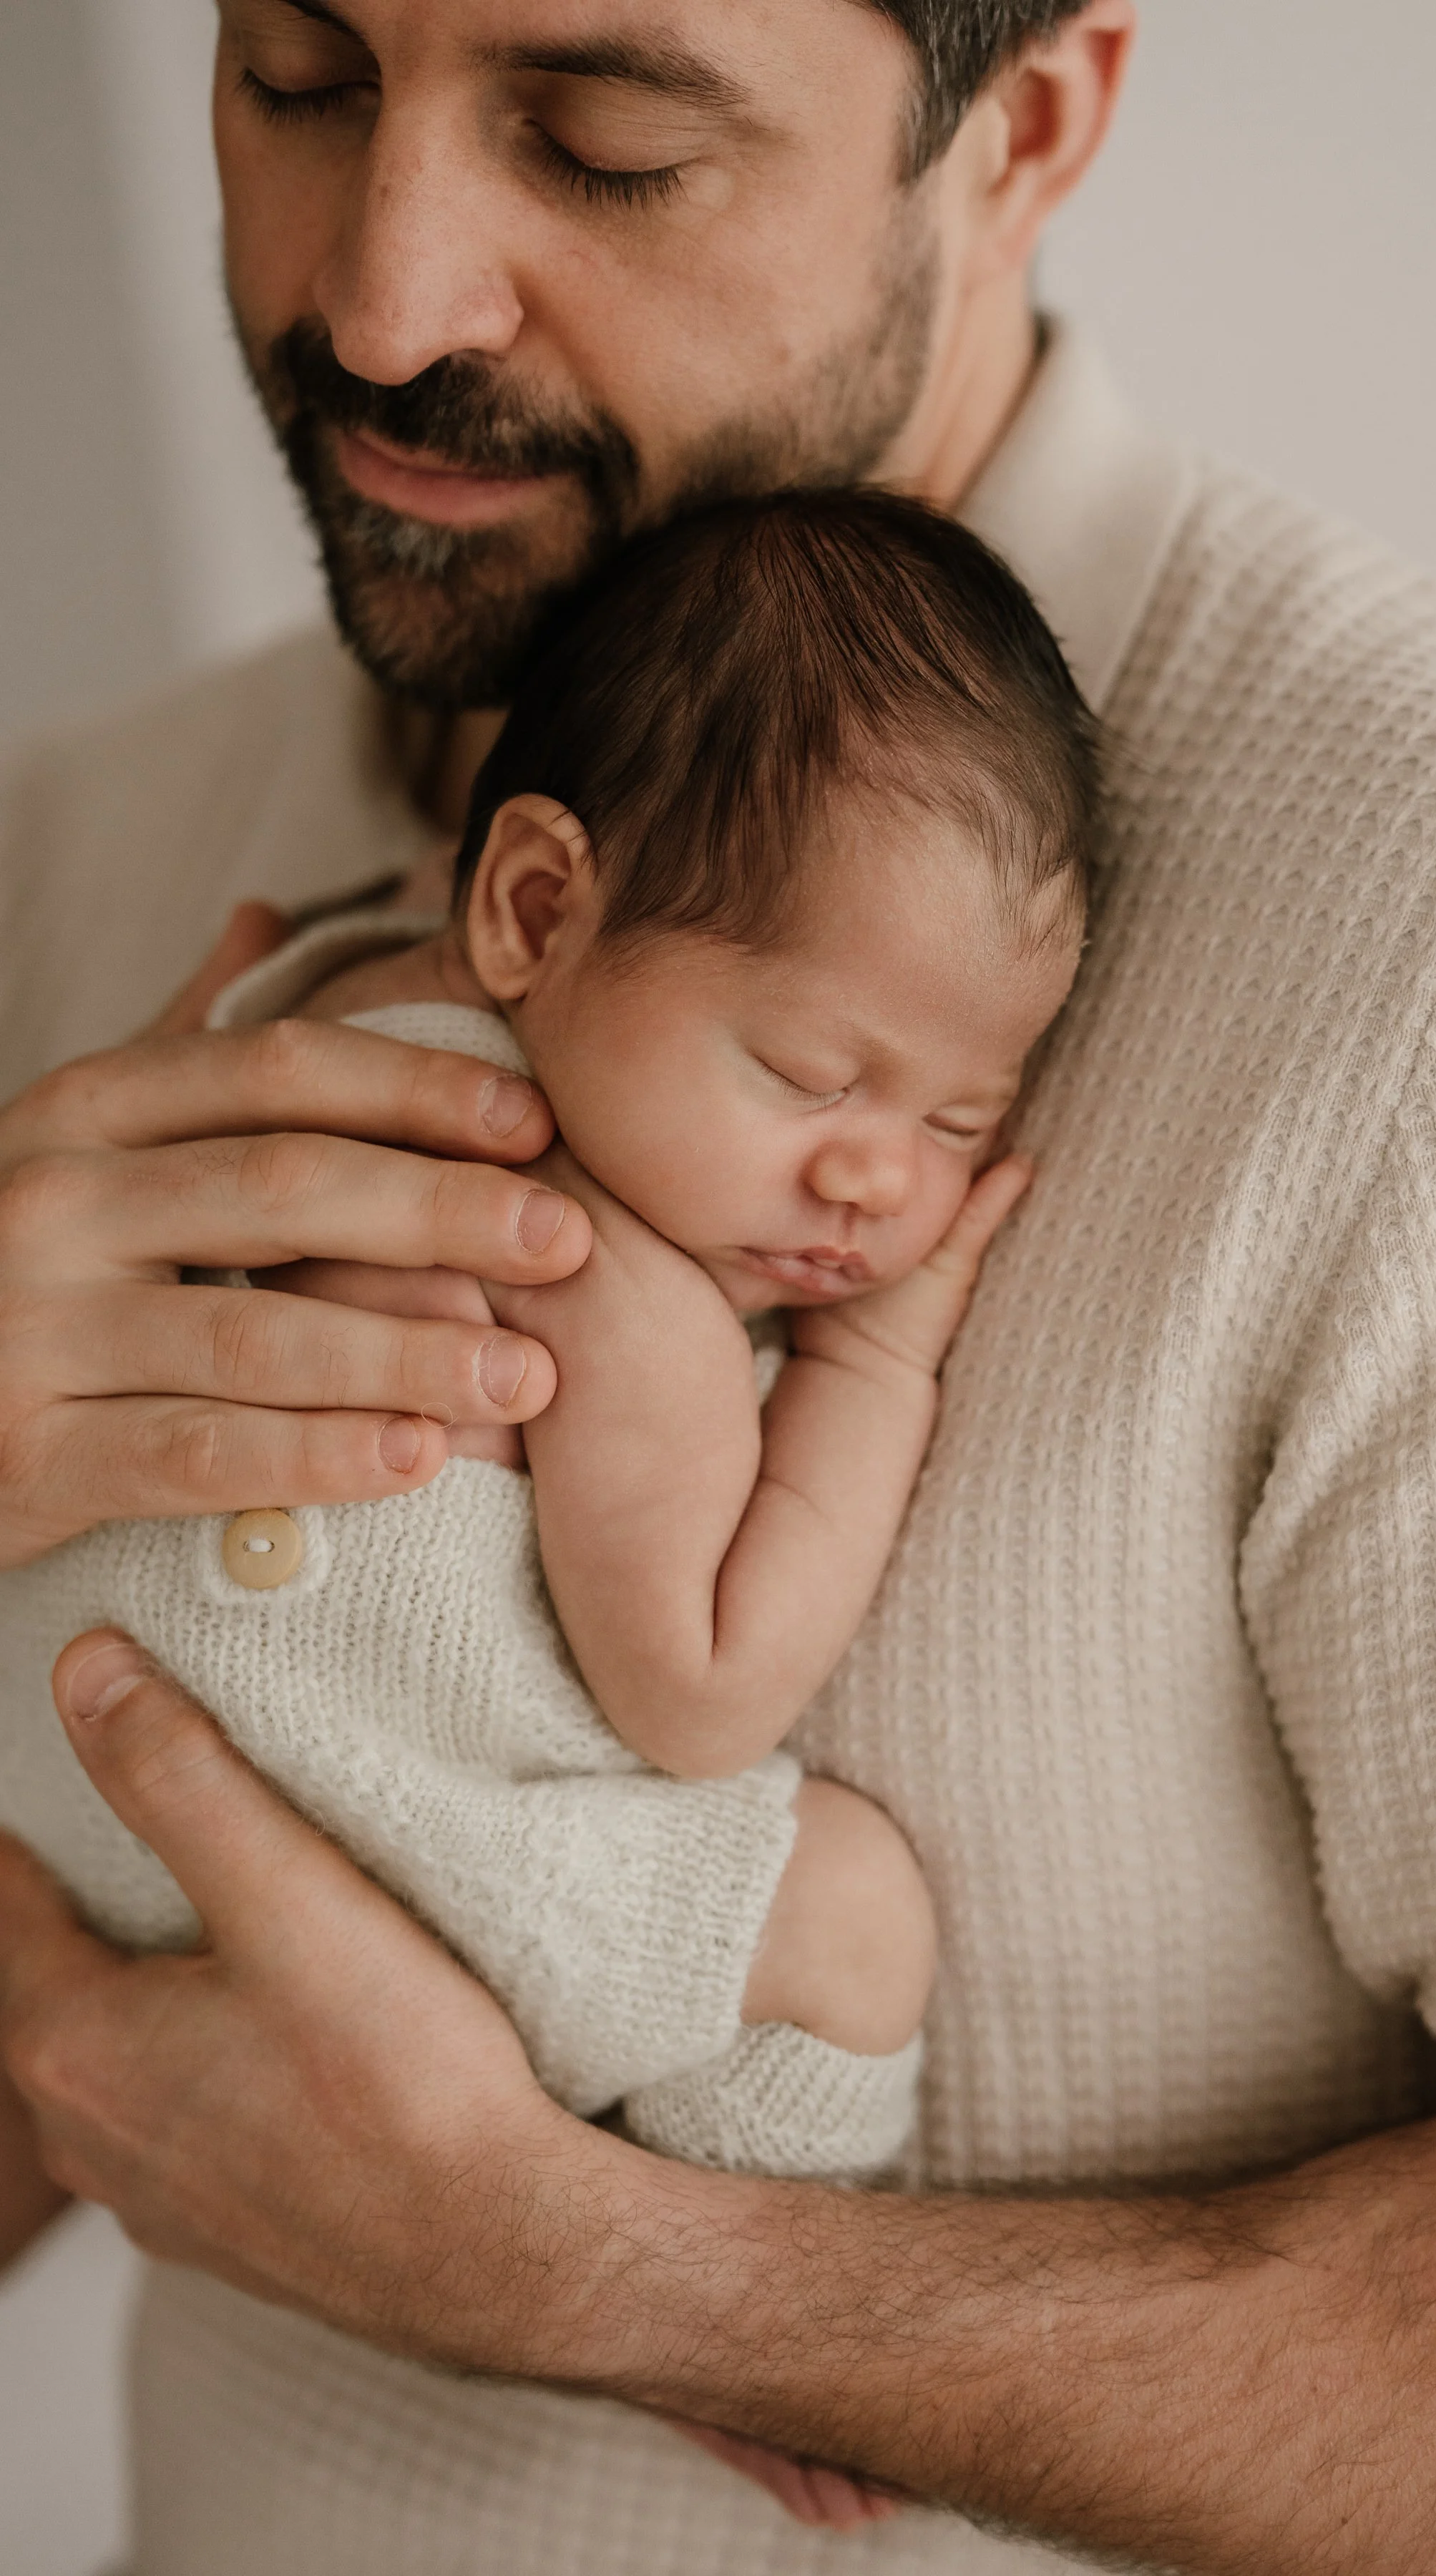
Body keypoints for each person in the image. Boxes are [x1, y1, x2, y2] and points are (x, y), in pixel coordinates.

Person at [1, 1, 1436, 2567]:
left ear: (1019, 132)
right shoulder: (110, 827)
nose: (381, 299)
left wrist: (611, 2269)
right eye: (297, 77)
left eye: (601, 142)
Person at [0, 488, 1092, 2212]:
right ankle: (753, 2249)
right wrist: (871, 1368)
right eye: (812, 1074)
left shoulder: (283, 994)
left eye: (965, 1118)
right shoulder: (603, 1275)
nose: (882, 1178)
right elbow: (703, 1694)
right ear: (531, 904)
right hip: (361, 1873)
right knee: (848, 1907)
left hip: (58, 1802)